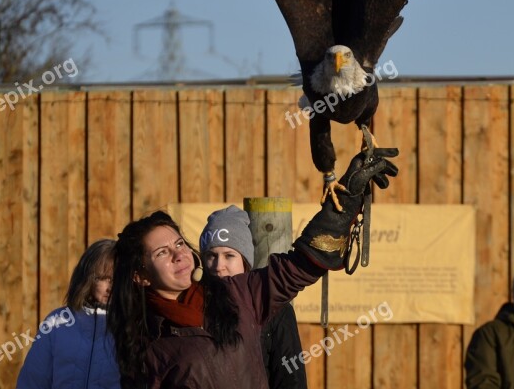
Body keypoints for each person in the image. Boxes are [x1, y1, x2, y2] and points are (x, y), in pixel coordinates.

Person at [107, 148, 397, 388]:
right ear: (141, 275)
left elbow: (300, 265)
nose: (178, 255)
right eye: (162, 252)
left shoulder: (238, 294)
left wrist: (345, 199)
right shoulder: (145, 346)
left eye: (180, 244)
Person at [200, 206, 308, 389]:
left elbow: (291, 380)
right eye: (211, 255)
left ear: (245, 261)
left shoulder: (276, 309)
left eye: (229, 256)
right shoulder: (191, 304)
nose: (219, 266)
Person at [17, 239, 120, 389]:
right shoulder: (56, 323)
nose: (111, 287)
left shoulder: (132, 326)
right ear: (87, 278)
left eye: (117, 279)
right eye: (104, 278)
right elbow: (32, 381)